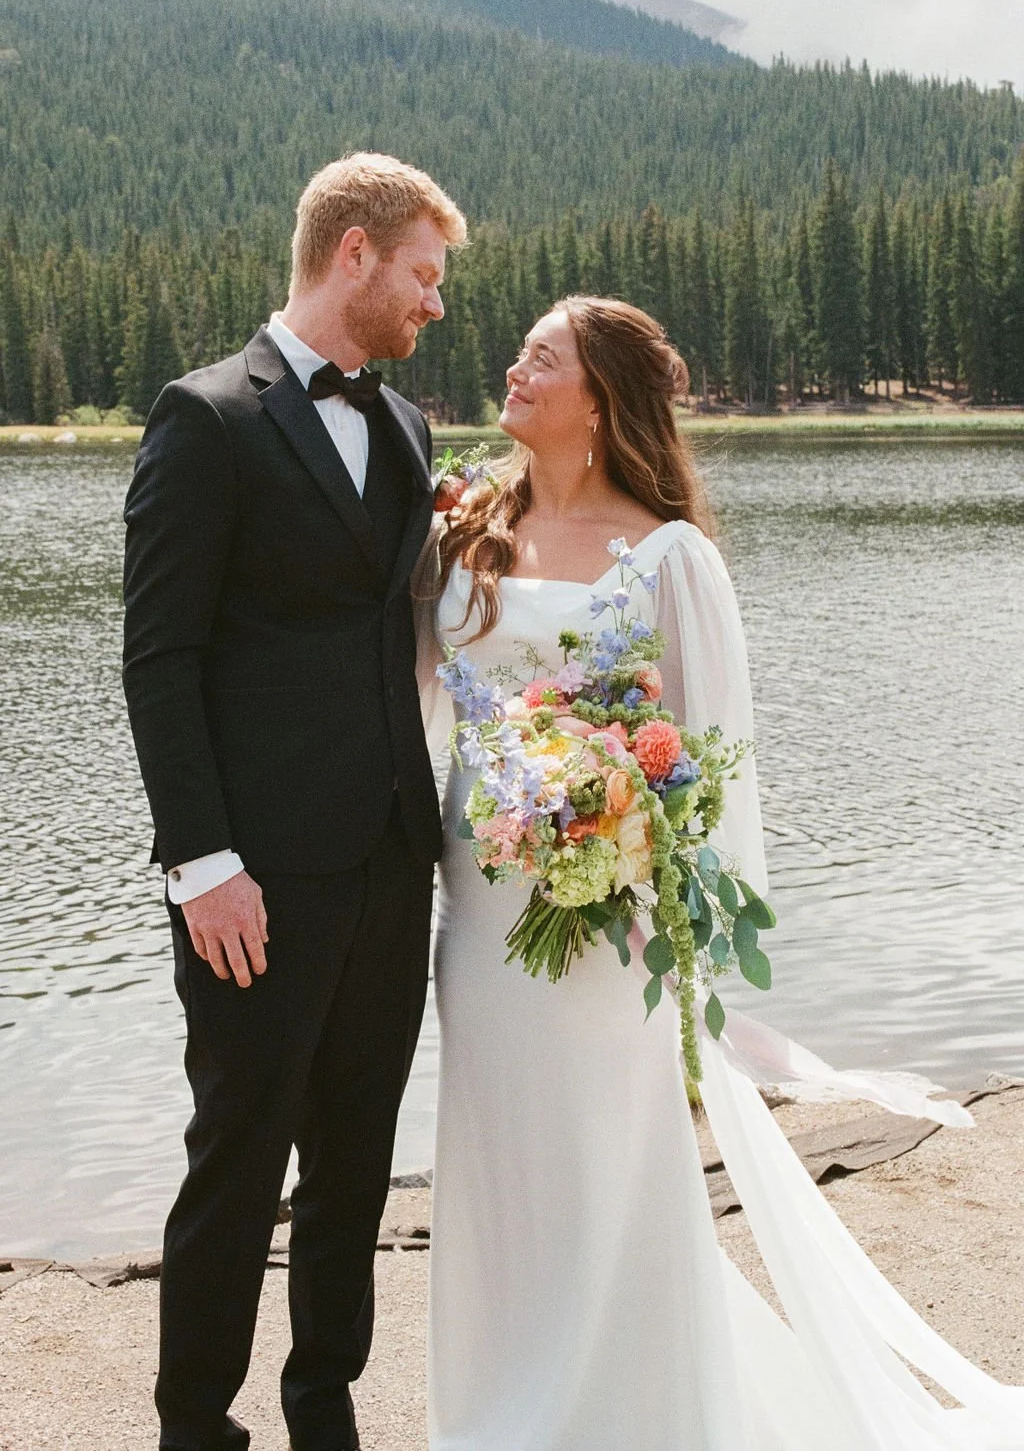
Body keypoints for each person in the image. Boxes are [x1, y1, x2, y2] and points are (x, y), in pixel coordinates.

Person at [415, 296, 1024, 1449]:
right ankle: (496, 1415)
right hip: (480, 913)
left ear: (594, 398)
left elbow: (709, 768)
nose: (513, 366)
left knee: (608, 1165)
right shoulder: (465, 531)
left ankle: (626, 1417)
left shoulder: (668, 556)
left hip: (607, 923)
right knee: (497, 1159)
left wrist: (675, 930)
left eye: (540, 357)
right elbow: (408, 706)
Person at [122, 152, 466, 1451]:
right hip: (253, 879)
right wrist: (200, 859)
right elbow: (160, 657)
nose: (435, 304)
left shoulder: (408, 426)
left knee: (354, 1172)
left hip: (392, 863)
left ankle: (325, 1412)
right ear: (356, 254)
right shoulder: (206, 419)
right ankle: (194, 1427)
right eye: (425, 276)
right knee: (239, 1159)